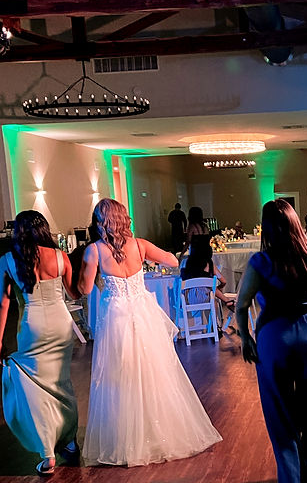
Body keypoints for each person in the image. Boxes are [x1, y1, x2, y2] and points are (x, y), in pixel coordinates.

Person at [78, 198, 222, 466]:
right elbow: (172, 261)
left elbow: (85, 289)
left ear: (100, 222)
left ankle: (126, 439)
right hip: (144, 314)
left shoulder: (94, 251)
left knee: (119, 376)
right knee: (153, 372)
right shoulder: (140, 245)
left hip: (116, 317)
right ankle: (157, 431)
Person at [235, 200, 307, 483]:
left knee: (279, 410)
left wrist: (245, 338)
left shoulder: (261, 262)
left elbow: (241, 305)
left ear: (268, 228)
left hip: (273, 337)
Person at [0, 211, 80, 476]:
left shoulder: (8, 260)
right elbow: (74, 293)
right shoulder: (60, 256)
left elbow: (2, 303)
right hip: (61, 323)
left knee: (35, 388)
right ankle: (70, 441)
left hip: (32, 326)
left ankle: (47, 452)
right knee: (61, 382)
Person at [181, 234, 235, 310]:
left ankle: (226, 300)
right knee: (210, 289)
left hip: (188, 298)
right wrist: (219, 287)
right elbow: (224, 281)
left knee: (208, 288)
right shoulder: (209, 264)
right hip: (206, 298)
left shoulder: (184, 262)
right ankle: (225, 302)